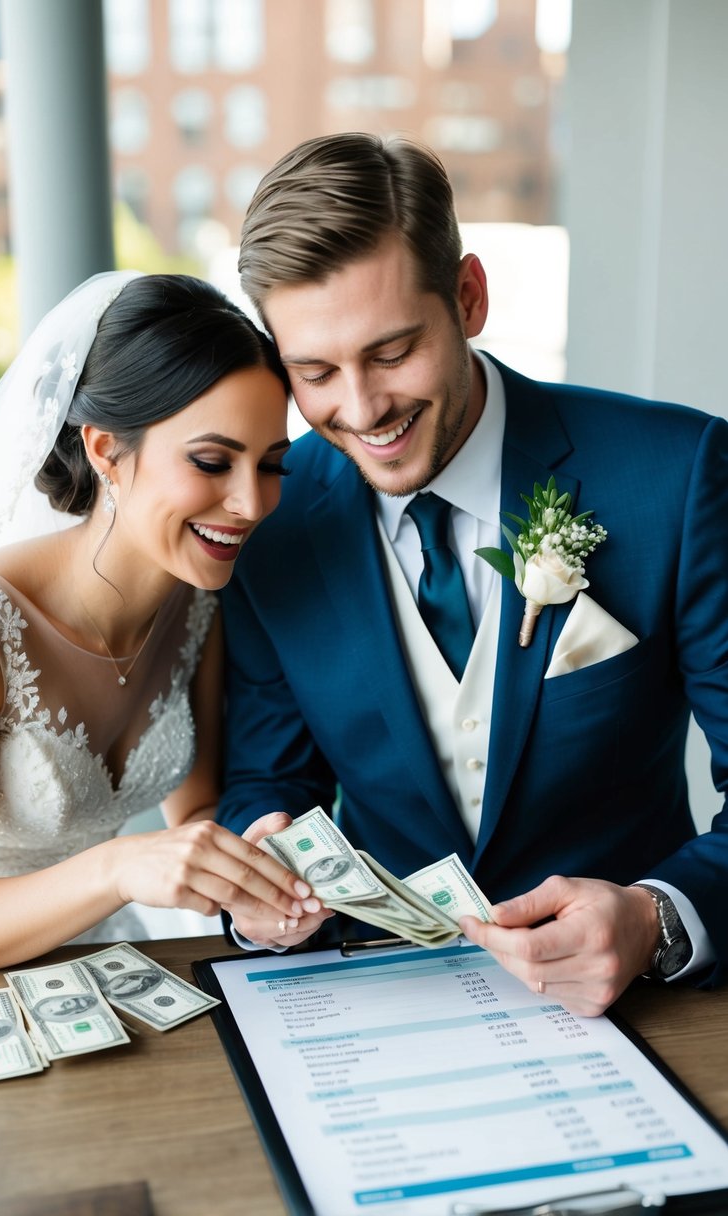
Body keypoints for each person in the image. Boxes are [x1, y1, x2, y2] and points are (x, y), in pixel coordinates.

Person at [215, 132, 728, 1017]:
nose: (362, 408)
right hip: (381, 1003)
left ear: (468, 296)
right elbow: (273, 780)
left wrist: (656, 919)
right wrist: (260, 864)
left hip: (645, 1010)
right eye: (314, 372)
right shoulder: (271, 518)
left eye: (389, 352)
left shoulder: (675, 475)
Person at [0, 271, 321, 972]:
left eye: (272, 465)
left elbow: (195, 813)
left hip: (109, 964)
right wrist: (119, 867)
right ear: (103, 452)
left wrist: (250, 863)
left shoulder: (199, 605)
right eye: (212, 462)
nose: (250, 503)